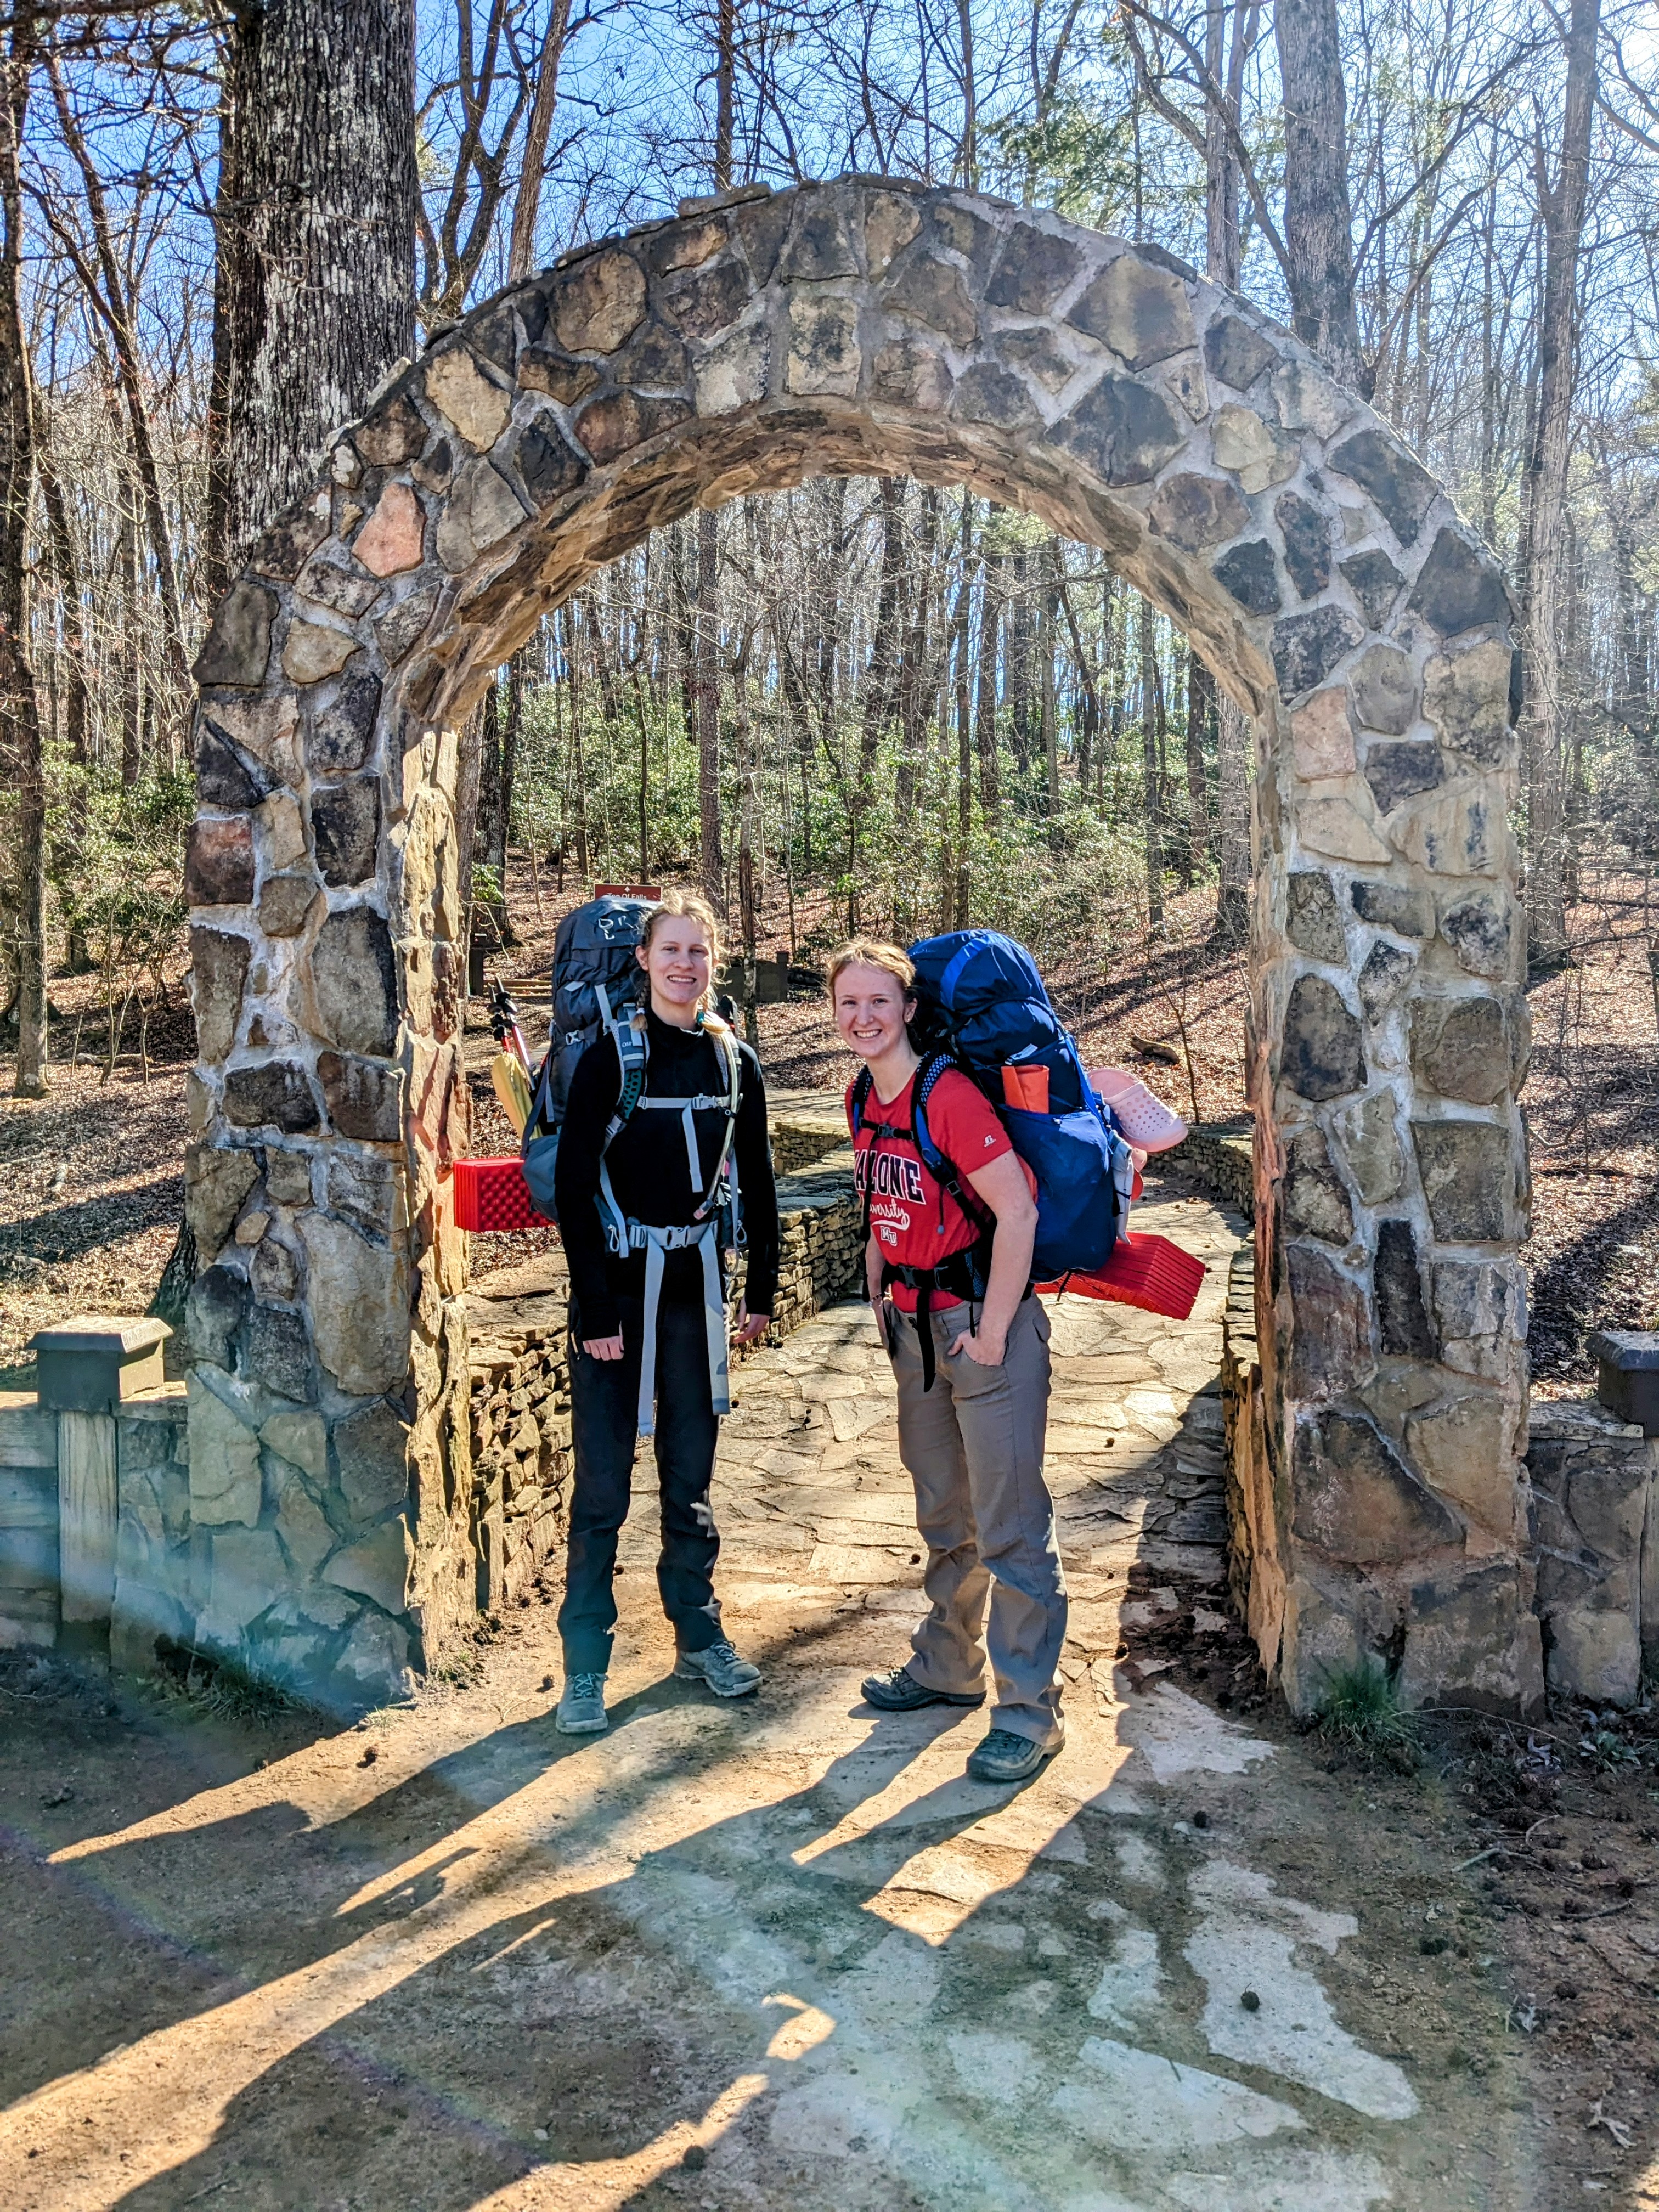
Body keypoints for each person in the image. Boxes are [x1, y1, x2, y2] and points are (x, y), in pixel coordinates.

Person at [831, 939, 1066, 1784]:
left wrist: (997, 1330)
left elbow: (1018, 1213)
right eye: (849, 1004)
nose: (864, 1018)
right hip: (917, 1327)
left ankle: (1030, 1713)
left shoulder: (950, 1094)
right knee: (944, 1513)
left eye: (879, 1004)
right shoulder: (863, 1096)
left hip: (982, 1327)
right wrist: (880, 1282)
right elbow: (884, 1196)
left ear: (909, 1011)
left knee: (1009, 1526)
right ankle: (946, 1666)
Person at [551, 889, 778, 1736]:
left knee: (690, 1482)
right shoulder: (614, 1058)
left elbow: (756, 1177)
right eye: (671, 951)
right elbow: (575, 1188)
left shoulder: (733, 1062)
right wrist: (595, 1310)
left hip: (694, 1292)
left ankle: (698, 1636)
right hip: (614, 1293)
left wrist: (760, 1288)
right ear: (643, 961)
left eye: (699, 952)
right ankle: (585, 1668)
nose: (686, 965)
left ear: (713, 964)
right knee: (603, 1489)